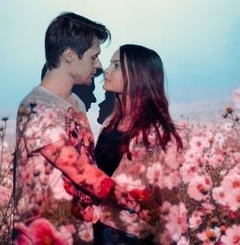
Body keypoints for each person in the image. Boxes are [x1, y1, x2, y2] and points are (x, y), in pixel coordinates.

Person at [13, 13, 141, 244]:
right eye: (94, 57)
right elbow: (76, 168)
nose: (99, 65)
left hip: (79, 232)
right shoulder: (35, 106)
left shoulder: (77, 104)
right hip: (44, 234)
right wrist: (128, 199)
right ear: (69, 56)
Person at [93, 44, 184, 244]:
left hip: (133, 235)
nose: (106, 71)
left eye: (116, 65)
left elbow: (169, 198)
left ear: (138, 75)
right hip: (100, 228)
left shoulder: (157, 134)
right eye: (110, 64)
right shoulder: (110, 124)